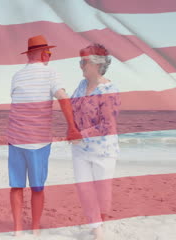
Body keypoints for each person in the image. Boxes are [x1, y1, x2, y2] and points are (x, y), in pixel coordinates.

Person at [7, 35, 81, 235]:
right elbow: (64, 100)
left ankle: (17, 230)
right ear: (42, 54)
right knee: (37, 187)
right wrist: (72, 127)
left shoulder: (17, 75)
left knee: (16, 185)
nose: (50, 55)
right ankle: (36, 229)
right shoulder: (51, 73)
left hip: (15, 138)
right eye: (49, 52)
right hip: (37, 141)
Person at [70, 44, 120, 240]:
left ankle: (100, 224)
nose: (80, 65)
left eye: (84, 62)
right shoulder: (81, 85)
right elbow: (72, 109)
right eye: (80, 61)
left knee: (102, 191)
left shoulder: (110, 90)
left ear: (98, 65)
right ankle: (97, 229)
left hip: (103, 151)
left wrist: (80, 134)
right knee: (84, 188)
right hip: (80, 149)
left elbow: (107, 125)